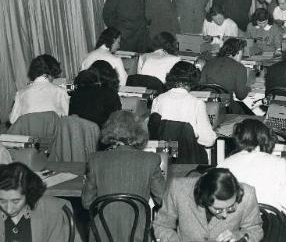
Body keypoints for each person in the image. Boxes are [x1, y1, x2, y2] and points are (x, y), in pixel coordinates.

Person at [82, 111, 166, 242]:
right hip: (138, 235)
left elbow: (87, 203)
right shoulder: (151, 159)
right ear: (139, 132)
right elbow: (163, 200)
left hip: (102, 235)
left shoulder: (95, 159)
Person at [218, 119, 286, 219]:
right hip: (270, 228)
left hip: (234, 226)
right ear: (266, 138)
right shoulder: (278, 164)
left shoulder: (223, 164)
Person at [153, 168, 263, 242]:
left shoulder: (247, 195)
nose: (225, 215)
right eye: (218, 209)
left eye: (230, 207)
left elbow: (255, 229)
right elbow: (161, 226)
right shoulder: (178, 189)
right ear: (203, 199)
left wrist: (238, 237)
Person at [0, 162, 81, 242]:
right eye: (2, 201)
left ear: (29, 194)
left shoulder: (53, 213)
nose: (9, 209)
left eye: (15, 201)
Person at [150, 62, 217, 147]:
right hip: (187, 154)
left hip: (164, 153)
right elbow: (208, 141)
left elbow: (153, 132)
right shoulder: (197, 103)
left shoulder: (158, 100)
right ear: (194, 80)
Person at [10, 55, 69, 124]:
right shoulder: (61, 92)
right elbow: (66, 118)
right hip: (53, 133)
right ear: (50, 73)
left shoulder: (20, 93)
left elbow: (12, 120)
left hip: (29, 133)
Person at [69, 61, 122, 127]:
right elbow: (116, 121)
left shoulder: (77, 92)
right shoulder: (110, 94)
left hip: (78, 133)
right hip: (100, 134)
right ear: (111, 75)